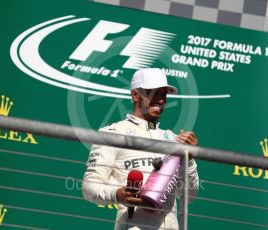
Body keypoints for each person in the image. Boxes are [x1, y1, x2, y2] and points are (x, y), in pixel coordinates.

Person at [82, 68, 199, 230]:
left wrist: (190, 159)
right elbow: (89, 187)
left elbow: (189, 195)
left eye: (163, 94)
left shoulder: (173, 139)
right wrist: (118, 194)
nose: (161, 100)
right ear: (135, 95)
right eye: (153, 93)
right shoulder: (112, 134)